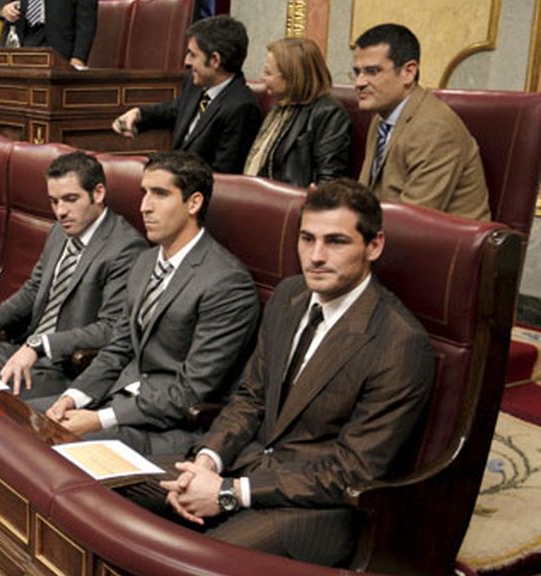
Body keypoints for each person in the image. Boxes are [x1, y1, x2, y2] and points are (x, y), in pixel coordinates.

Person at [159, 179, 434, 566]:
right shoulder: (288, 296)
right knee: (111, 486)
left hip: (318, 509)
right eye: (307, 239)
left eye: (335, 241)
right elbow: (250, 398)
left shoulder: (399, 343)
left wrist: (230, 492)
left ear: (374, 246)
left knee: (192, 562)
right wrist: (209, 460)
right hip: (247, 466)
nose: (315, 256)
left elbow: (351, 469)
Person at [37, 151, 259, 456]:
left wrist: (99, 420)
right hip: (118, 401)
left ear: (194, 203)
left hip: (171, 426)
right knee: (21, 422)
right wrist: (73, 397)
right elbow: (118, 348)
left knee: (54, 453)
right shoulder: (145, 262)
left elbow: (191, 390)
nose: (145, 207)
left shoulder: (228, 282)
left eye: (160, 194)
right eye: (144, 193)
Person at [0, 152, 147, 399]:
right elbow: (34, 288)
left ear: (99, 193)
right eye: (54, 201)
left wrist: (41, 344)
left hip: (66, 367)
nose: (61, 211)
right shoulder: (59, 232)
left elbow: (110, 328)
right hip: (24, 347)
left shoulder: (126, 248)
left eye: (71, 199)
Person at [353, 23, 490, 220]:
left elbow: (413, 221)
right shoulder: (380, 118)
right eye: (358, 72)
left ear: (409, 72)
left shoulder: (435, 128)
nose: (359, 83)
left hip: (445, 245)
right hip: (389, 233)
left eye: (372, 71)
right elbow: (366, 196)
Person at [111, 16, 262, 175]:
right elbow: (176, 110)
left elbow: (223, 176)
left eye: (192, 55)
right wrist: (139, 115)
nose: (186, 62)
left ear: (215, 60)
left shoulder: (242, 107)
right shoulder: (195, 83)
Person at [242, 38, 350, 188]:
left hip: (295, 204)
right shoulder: (280, 108)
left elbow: (329, 180)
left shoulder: (329, 113)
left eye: (268, 72)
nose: (261, 77)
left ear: (292, 77)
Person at [0, 0, 98, 68]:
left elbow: (87, 20)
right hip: (17, 40)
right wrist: (2, 8)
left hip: (59, 48)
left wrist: (78, 58)